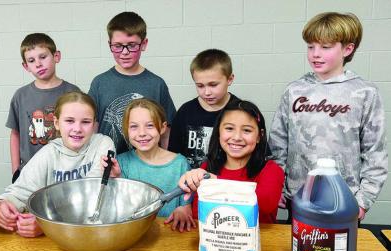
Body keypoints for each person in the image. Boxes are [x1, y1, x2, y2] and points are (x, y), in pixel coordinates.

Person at [268, 12, 387, 221]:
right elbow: (278, 145)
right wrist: (276, 185)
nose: (315, 54)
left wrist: (363, 201)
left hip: (343, 201)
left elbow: (374, 152)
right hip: (298, 198)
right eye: (311, 46)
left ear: (347, 49)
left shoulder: (364, 92)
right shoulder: (295, 91)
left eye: (325, 47)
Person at [0, 92, 115, 238]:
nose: (77, 128)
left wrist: (47, 225)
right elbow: (18, 193)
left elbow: (90, 195)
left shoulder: (103, 144)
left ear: (94, 124)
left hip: (94, 235)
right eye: (69, 121)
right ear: (56, 123)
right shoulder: (48, 154)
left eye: (85, 122)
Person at [179, 100, 284, 223]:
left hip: (259, 241)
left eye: (247, 130)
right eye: (229, 128)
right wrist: (184, 211)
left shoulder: (271, 170)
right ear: (219, 132)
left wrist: (217, 184)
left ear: (259, 136)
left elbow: (266, 204)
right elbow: (200, 215)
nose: (237, 137)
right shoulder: (207, 167)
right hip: (214, 241)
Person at [88, 11, 176, 155]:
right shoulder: (99, 83)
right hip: (106, 164)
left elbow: (166, 133)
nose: (124, 52)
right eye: (117, 46)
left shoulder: (157, 84)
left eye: (132, 45)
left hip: (146, 164)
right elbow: (93, 128)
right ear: (109, 44)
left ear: (144, 44)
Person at [102, 99, 194, 232]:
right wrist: (116, 178)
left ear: (163, 127)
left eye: (150, 125)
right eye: (134, 126)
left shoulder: (180, 164)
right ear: (126, 130)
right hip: (132, 233)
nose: (142, 133)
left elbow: (186, 207)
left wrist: (182, 210)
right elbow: (117, 208)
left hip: (170, 234)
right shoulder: (121, 163)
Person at [8, 33, 80, 182]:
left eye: (43, 57)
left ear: (56, 56)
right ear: (26, 66)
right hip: (29, 171)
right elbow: (15, 134)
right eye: (31, 60)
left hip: (65, 171)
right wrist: (16, 170)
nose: (38, 64)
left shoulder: (73, 93)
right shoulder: (20, 96)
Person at [168, 49, 240, 169]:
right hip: (191, 184)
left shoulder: (242, 112)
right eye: (200, 86)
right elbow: (173, 156)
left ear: (230, 79)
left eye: (213, 85)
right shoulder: (185, 112)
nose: (207, 92)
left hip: (227, 184)